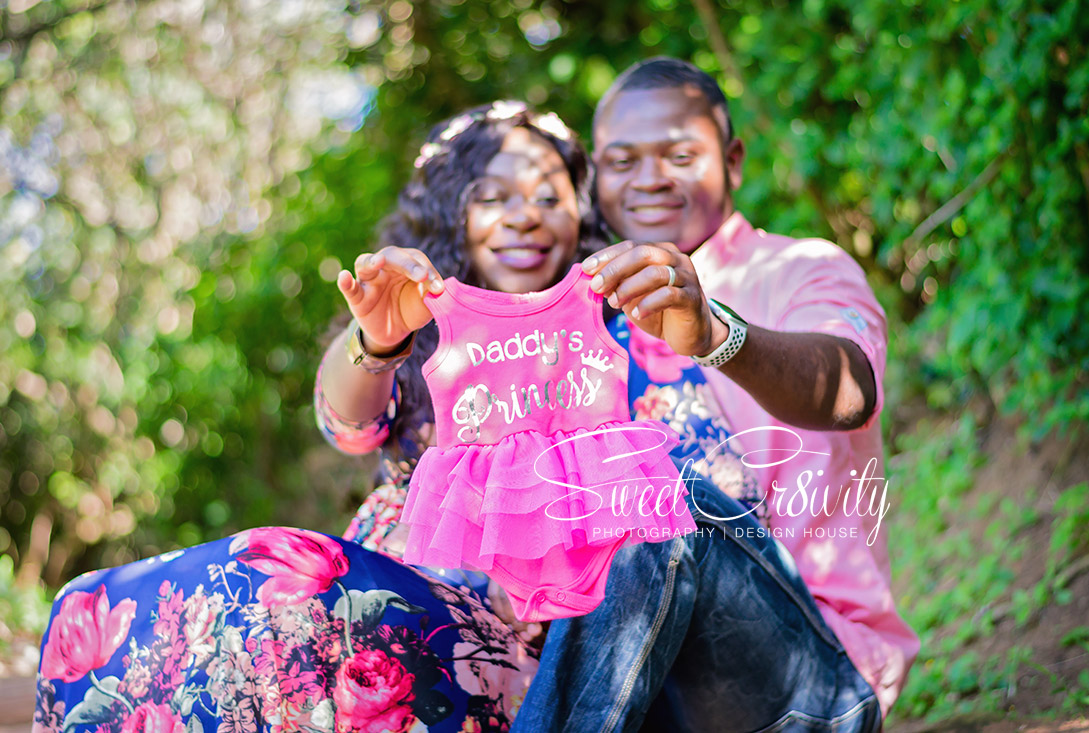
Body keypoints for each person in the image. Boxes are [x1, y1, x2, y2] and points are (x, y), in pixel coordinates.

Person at [31, 101, 607, 733]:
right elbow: (347, 425)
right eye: (492, 198)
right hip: (384, 594)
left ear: (582, 214)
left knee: (285, 581)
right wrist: (378, 339)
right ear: (453, 212)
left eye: (549, 198)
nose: (524, 217)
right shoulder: (417, 316)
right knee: (101, 601)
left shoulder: (616, 336)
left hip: (508, 645)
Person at [509, 58, 920, 731]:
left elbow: (849, 389)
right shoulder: (585, 331)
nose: (649, 178)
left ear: (732, 161)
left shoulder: (801, 268)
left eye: (678, 155)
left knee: (659, 499)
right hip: (648, 692)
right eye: (622, 161)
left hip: (811, 680)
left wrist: (715, 334)